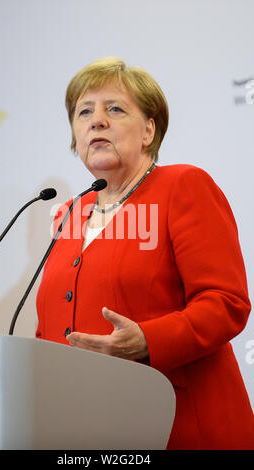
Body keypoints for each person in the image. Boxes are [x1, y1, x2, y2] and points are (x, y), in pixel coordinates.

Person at [36, 57, 254, 450]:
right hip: (89, 432)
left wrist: (147, 340)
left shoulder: (182, 186)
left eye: (114, 109)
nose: (96, 120)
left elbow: (227, 302)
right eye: (84, 111)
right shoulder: (69, 214)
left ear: (149, 130)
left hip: (180, 426)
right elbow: (48, 330)